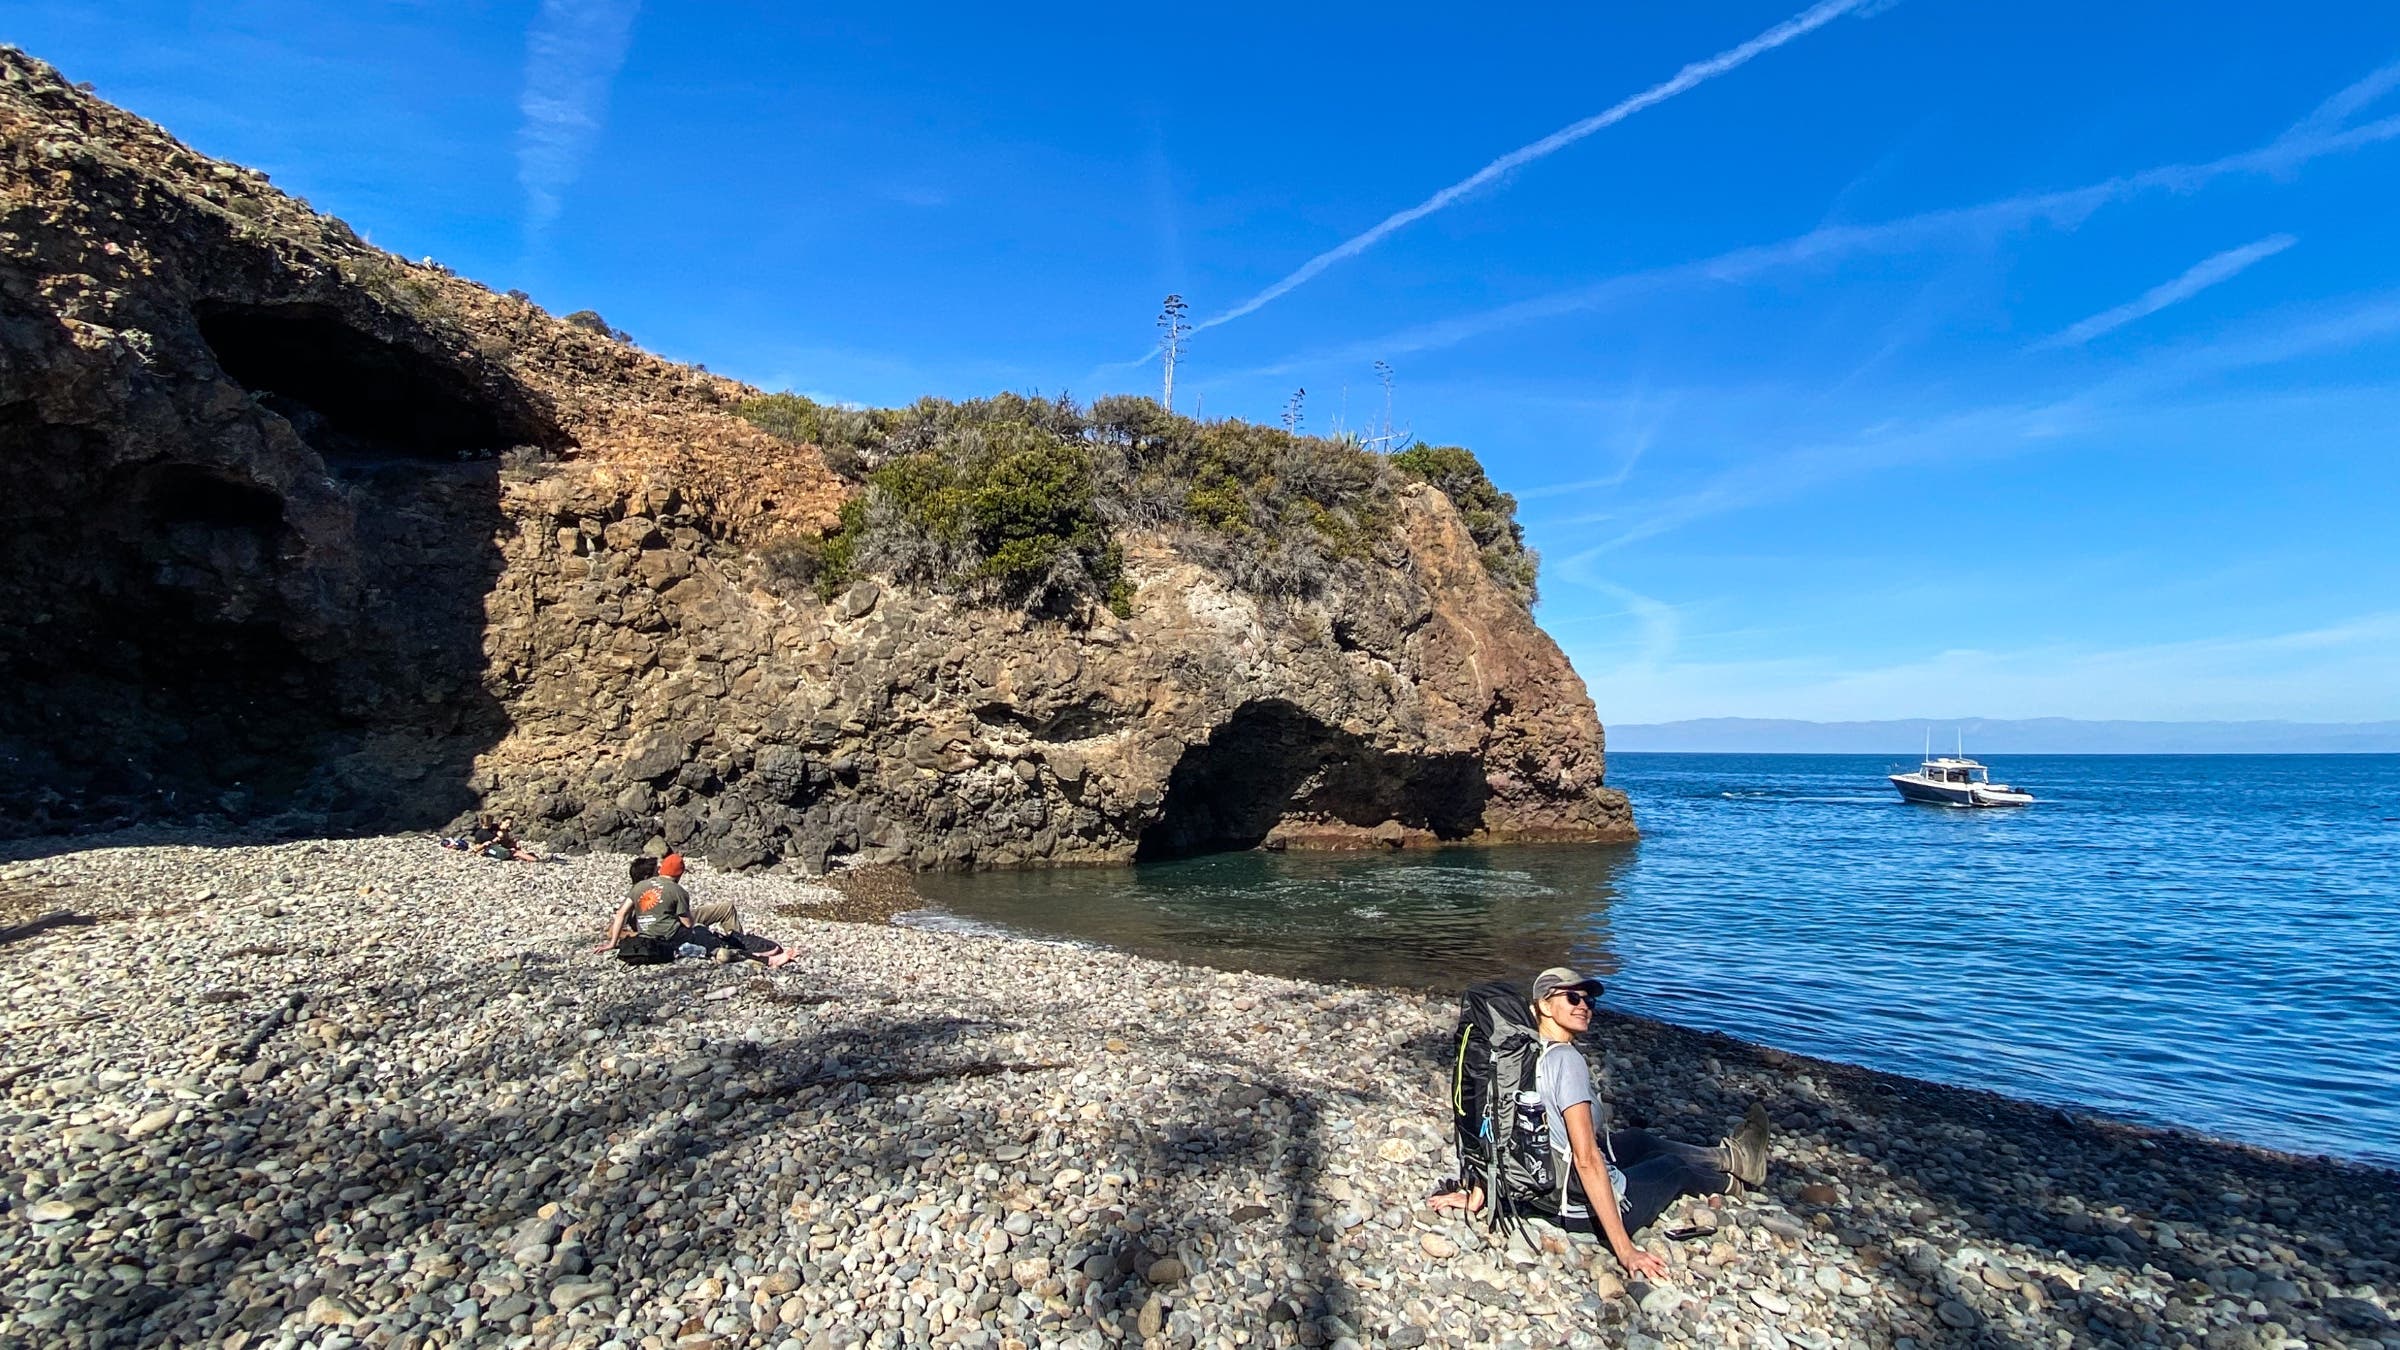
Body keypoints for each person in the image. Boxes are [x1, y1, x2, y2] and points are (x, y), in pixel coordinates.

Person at [1432, 967, 1771, 1281]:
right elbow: (1586, 1159)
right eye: (1572, 998)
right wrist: (1625, 1250)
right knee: (1672, 1167)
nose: (1584, 1007)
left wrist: (1480, 1192)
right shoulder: (1565, 1060)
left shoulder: (1518, 1055)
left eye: (1588, 1001)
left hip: (1537, 1189)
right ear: (1545, 1006)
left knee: (1637, 1141)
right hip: (1576, 1208)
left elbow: (1497, 1126)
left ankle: (1733, 1157)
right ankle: (1732, 1182)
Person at [596, 853, 797, 967]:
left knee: (711, 932)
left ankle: (746, 949)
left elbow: (620, 914)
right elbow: (687, 923)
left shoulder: (638, 888)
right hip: (672, 933)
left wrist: (612, 944)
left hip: (651, 936)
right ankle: (764, 958)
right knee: (709, 938)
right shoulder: (677, 891)